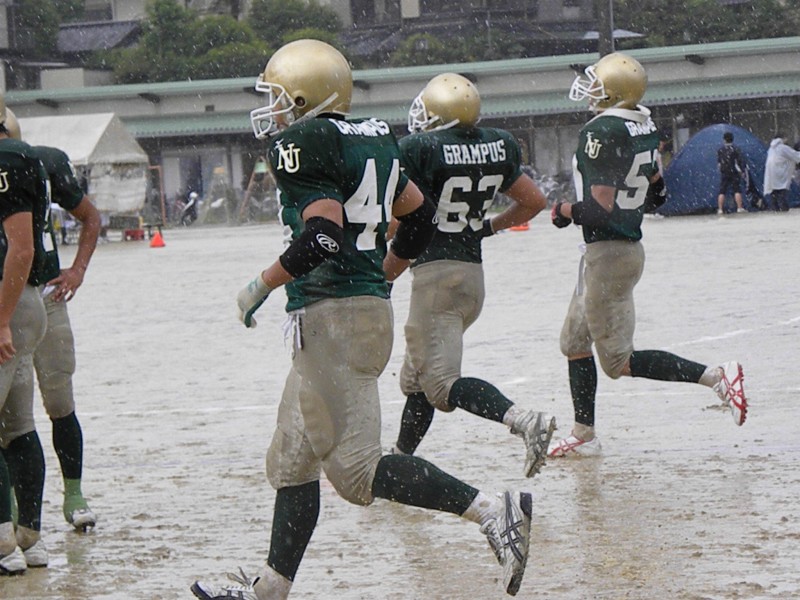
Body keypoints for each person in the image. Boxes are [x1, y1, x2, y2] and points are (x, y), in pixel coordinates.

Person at [191, 40, 534, 600]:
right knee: (292, 457)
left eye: (278, 96)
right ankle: (270, 588)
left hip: (333, 319)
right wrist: (383, 275)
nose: (272, 109)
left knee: (357, 473)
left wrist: (262, 283)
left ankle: (493, 511)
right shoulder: (373, 137)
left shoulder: (302, 142)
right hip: (353, 312)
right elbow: (420, 217)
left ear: (303, 97)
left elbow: (323, 235)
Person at [549, 53, 748, 457]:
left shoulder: (602, 129)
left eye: (598, 83)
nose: (590, 90)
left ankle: (716, 376)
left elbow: (599, 209)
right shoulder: (642, 123)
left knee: (618, 362)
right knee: (574, 340)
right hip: (615, 249)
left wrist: (563, 210)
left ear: (614, 90)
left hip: (609, 253)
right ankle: (583, 434)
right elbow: (657, 195)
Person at [389, 72, 555, 478]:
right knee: (418, 380)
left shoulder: (419, 148)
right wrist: (488, 227)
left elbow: (402, 221)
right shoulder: (494, 144)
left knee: (442, 385)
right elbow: (534, 201)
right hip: (470, 275)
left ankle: (521, 419)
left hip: (436, 279)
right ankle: (397, 460)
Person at [28, 142, 101, 532]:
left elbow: (90, 216)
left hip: (45, 294)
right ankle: (15, 516)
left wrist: (78, 270)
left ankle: (74, 494)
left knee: (60, 401)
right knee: (10, 415)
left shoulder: (42, 162)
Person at [0, 105, 49, 574]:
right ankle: (29, 539)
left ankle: (2, 544)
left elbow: (21, 247)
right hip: (26, 300)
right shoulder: (26, 156)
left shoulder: (6, 159)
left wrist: (0, 319)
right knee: (18, 426)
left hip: (7, 301)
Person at [763, 133, 800, 212]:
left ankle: (775, 208)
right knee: (782, 192)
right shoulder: (783, 148)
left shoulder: (771, 148)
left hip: (771, 174)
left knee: (774, 192)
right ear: (783, 138)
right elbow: (795, 155)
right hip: (780, 173)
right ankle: (783, 209)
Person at [716, 131, 747, 214]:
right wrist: (741, 172)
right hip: (734, 172)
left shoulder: (720, 150)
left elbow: (719, 164)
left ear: (724, 140)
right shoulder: (735, 149)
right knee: (737, 189)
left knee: (722, 191)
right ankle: (739, 207)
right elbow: (737, 163)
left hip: (724, 172)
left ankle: (720, 209)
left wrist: (721, 171)